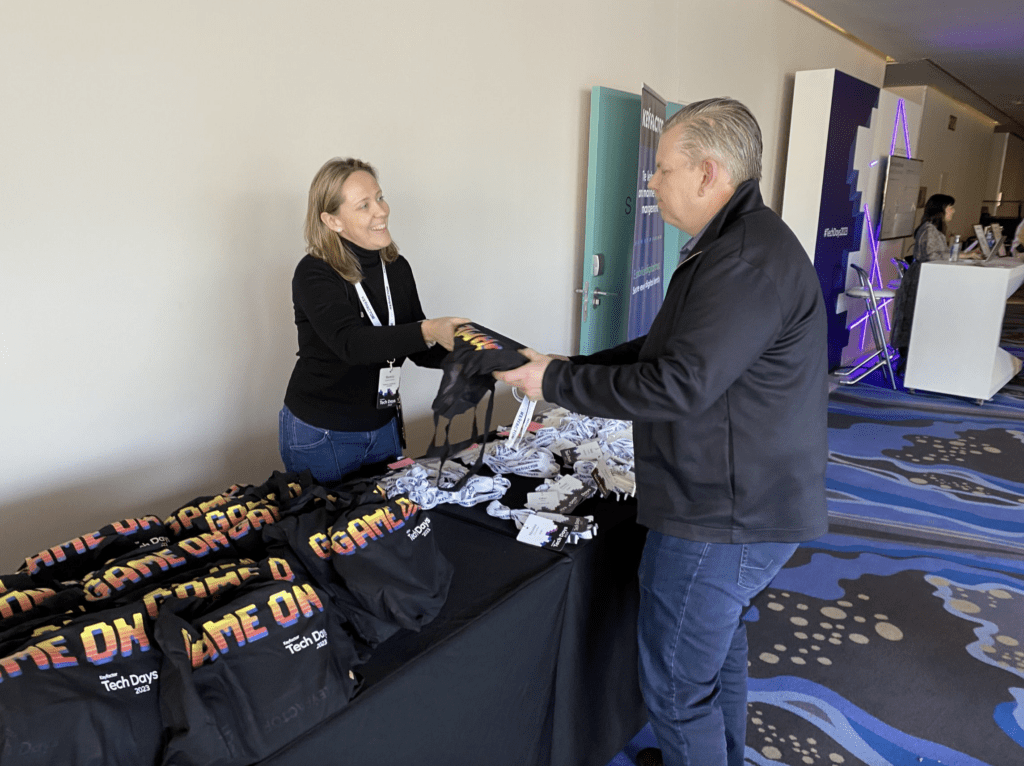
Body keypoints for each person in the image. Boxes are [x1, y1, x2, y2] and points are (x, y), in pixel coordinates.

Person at [496, 98, 828, 766]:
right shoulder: (737, 244)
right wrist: (566, 367)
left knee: (677, 690)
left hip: (723, 516)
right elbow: (667, 349)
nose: (650, 183)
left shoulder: (741, 262)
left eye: (661, 169)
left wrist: (556, 386)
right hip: (748, 500)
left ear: (708, 173)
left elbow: (676, 386)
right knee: (713, 662)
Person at [280, 157, 467, 483]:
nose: (381, 211)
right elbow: (352, 344)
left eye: (379, 197)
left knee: (386, 527)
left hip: (384, 425)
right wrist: (428, 329)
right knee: (335, 530)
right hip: (325, 434)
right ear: (332, 220)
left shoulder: (395, 266)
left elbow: (419, 348)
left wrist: (478, 356)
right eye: (364, 205)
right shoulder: (314, 273)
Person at [890, 193, 955, 374]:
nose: (953, 211)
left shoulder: (933, 230)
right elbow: (932, 258)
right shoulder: (928, 230)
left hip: (926, 280)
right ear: (941, 210)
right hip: (921, 281)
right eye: (950, 207)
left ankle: (914, 364)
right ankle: (909, 365)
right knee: (915, 321)